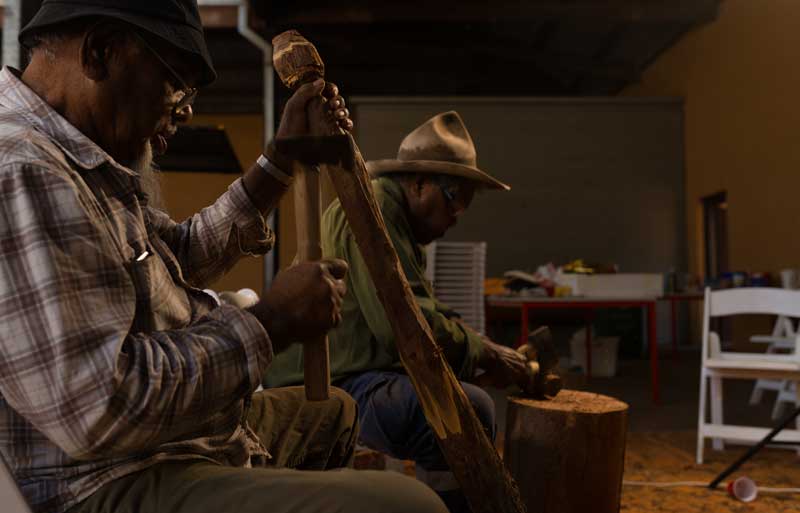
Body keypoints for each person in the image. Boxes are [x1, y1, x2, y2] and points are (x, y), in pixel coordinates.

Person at [0, 2, 448, 513]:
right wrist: (270, 323)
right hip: (106, 479)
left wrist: (280, 160)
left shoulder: (81, 158)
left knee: (338, 412)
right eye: (175, 81)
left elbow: (174, 260)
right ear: (101, 53)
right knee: (408, 505)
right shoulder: (23, 169)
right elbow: (99, 407)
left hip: (163, 444)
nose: (183, 109)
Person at [264, 111, 530, 512]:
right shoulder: (375, 214)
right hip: (323, 384)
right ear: (420, 183)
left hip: (355, 372)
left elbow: (423, 309)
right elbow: (402, 329)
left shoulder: (398, 220)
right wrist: (485, 353)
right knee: (469, 408)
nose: (457, 217)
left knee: (460, 393)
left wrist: (476, 348)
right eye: (454, 200)